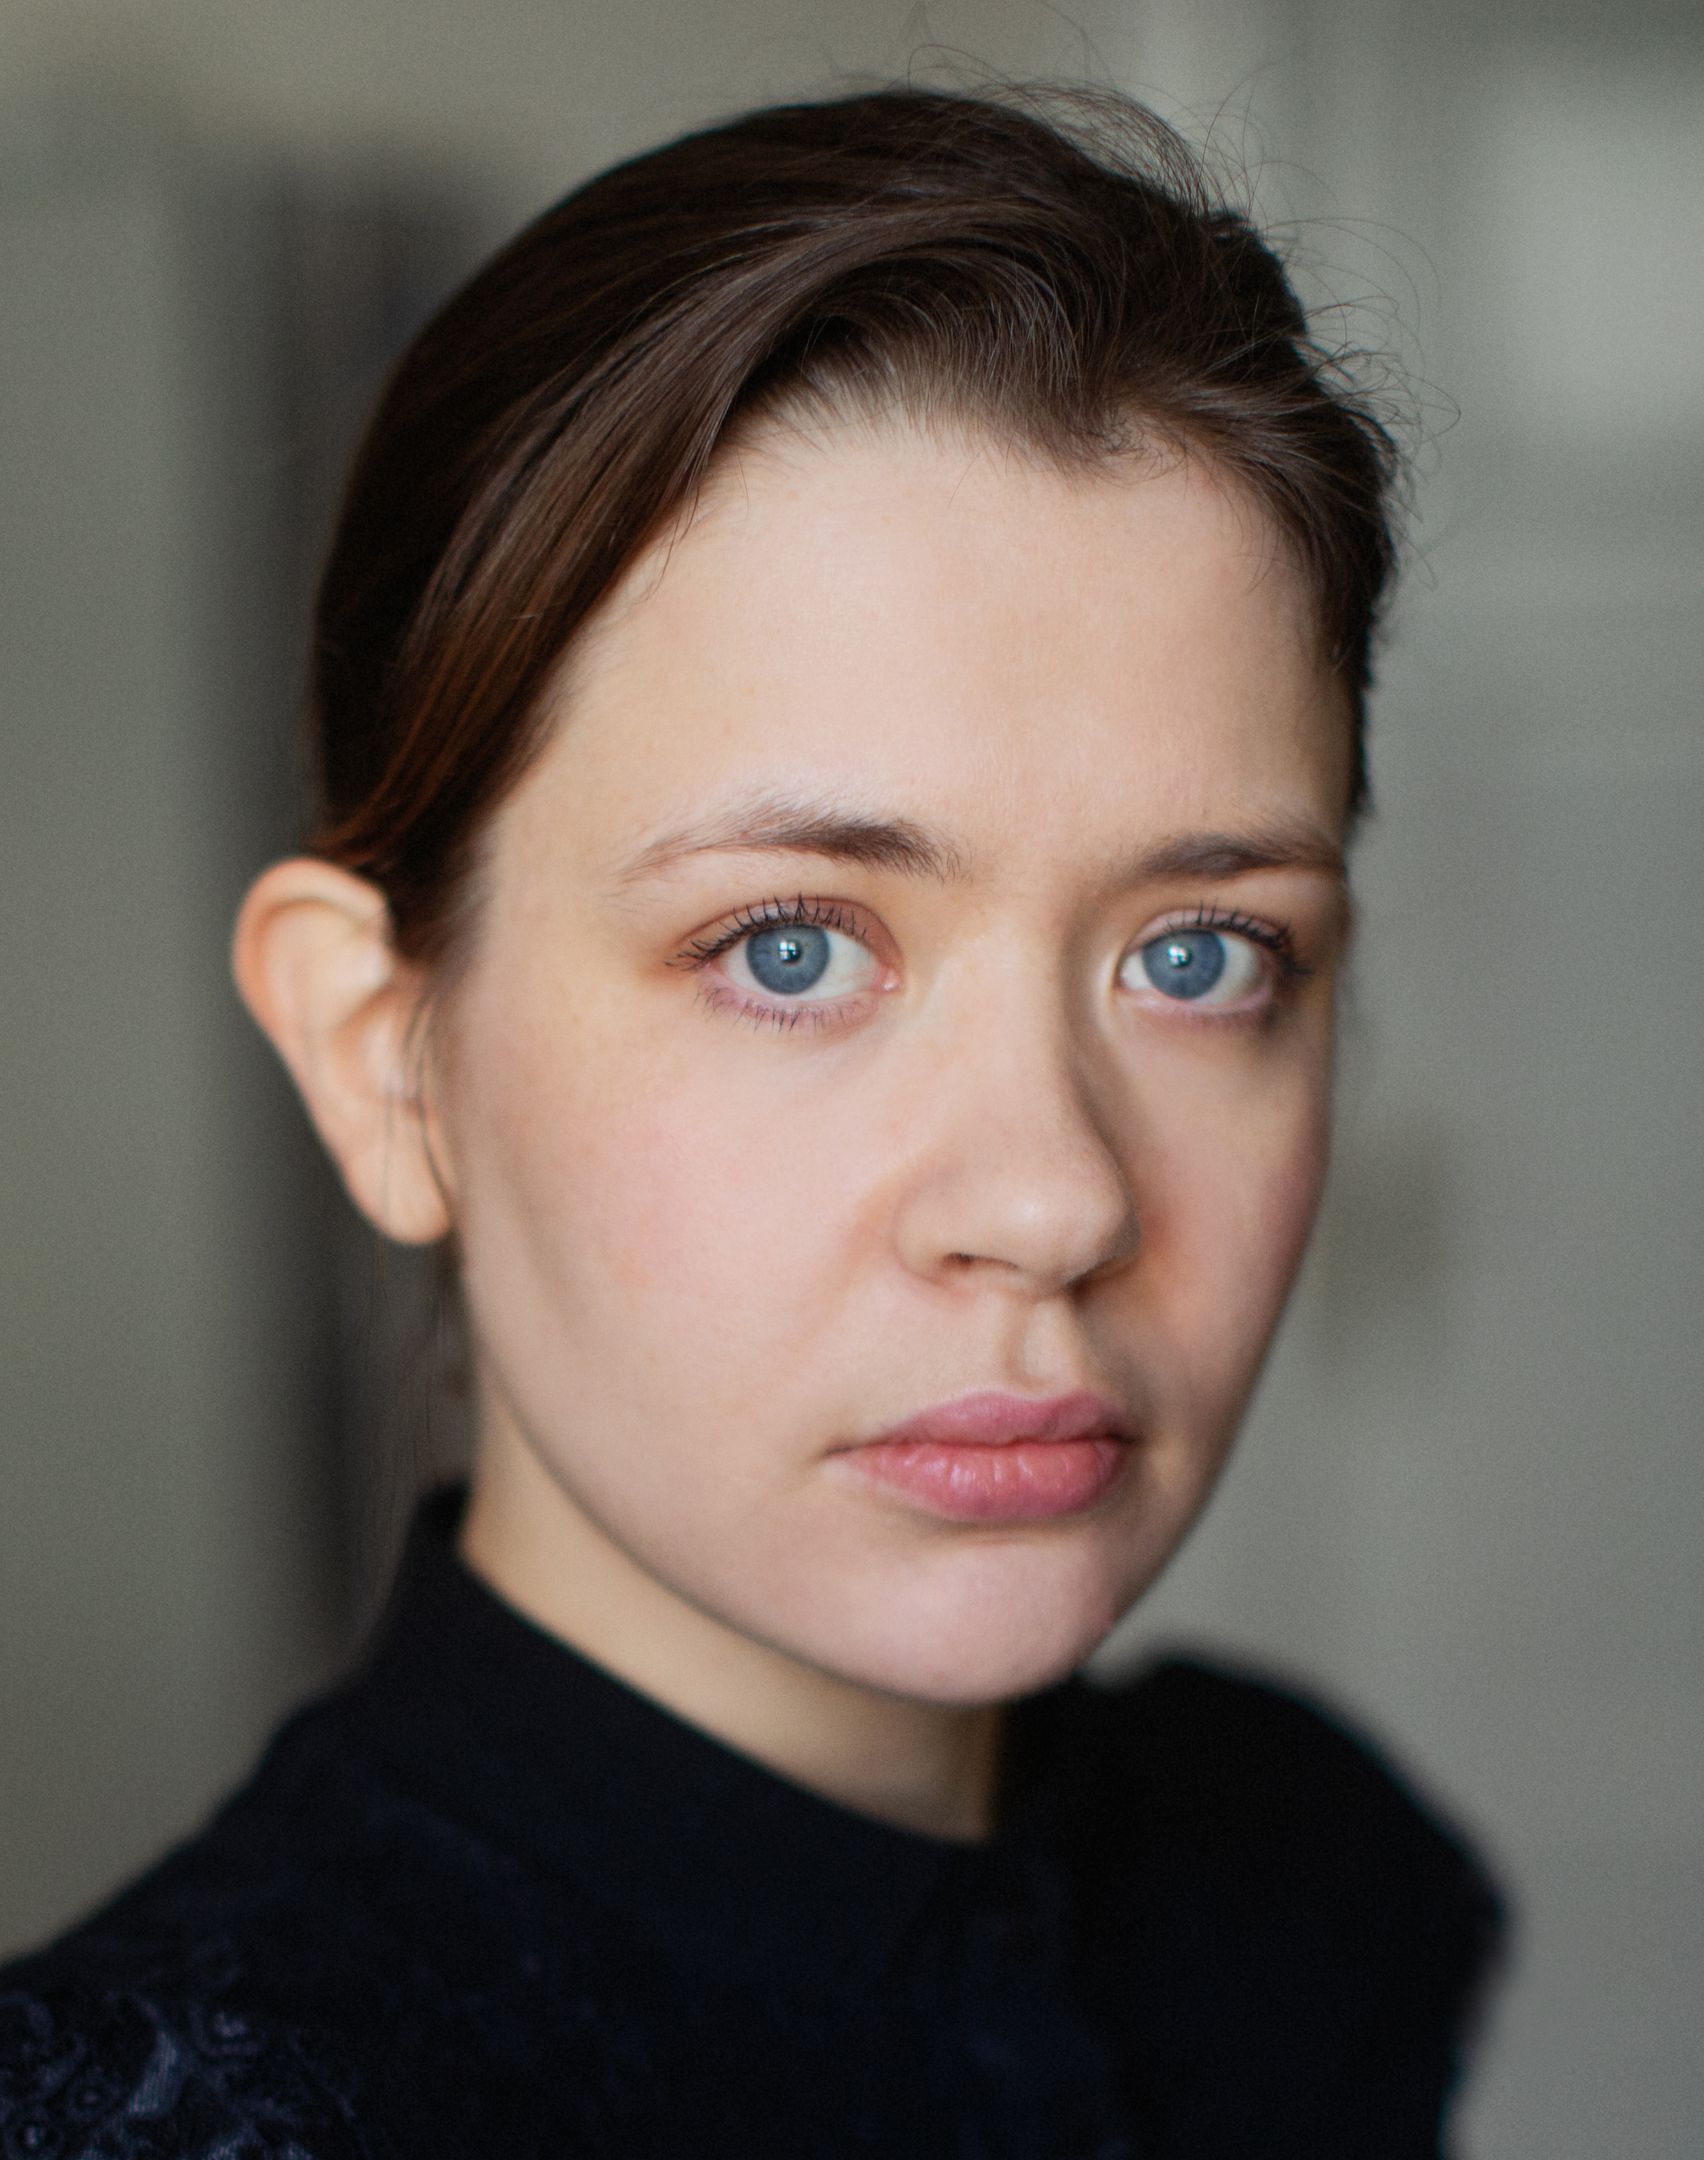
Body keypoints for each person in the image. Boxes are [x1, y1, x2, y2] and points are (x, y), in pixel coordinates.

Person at [0, 84, 1503, 2159]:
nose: (1055, 1200)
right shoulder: (172, 2120)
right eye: (791, 950)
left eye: (1199, 954)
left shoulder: (1306, 1894)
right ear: (382, 1055)